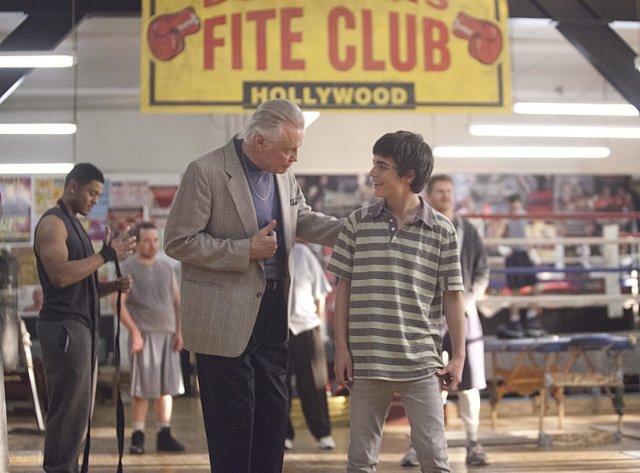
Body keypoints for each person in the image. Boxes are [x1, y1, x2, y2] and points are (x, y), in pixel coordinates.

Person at [163, 98, 344, 473]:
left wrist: (354, 230)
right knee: (232, 424)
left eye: (297, 149)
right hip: (222, 317)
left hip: (273, 312)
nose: (295, 157)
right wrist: (245, 250)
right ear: (259, 140)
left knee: (272, 418)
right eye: (289, 149)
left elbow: (302, 218)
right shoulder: (206, 171)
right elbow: (179, 242)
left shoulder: (283, 174)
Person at [328, 131, 466, 473]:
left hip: (421, 364)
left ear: (408, 176)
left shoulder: (443, 231)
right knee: (360, 460)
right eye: (374, 163)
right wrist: (342, 348)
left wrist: (459, 356)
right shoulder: (358, 223)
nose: (372, 173)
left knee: (434, 457)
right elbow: (343, 288)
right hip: (366, 362)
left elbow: (453, 296)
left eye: (381, 166)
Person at [33, 162, 135, 473]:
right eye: (92, 193)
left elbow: (81, 284)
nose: (95, 200)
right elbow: (61, 276)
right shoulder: (53, 224)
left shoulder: (75, 225)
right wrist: (105, 255)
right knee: (68, 411)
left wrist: (112, 286)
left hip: (80, 326)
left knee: (77, 414)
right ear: (73, 186)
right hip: (64, 327)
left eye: (99, 195)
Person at [400, 174, 490, 468]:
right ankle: (419, 446)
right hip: (426, 317)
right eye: (440, 191)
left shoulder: (468, 230)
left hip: (465, 314)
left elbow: (482, 270)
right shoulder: (416, 227)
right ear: (428, 194)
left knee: (470, 383)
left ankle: (473, 443)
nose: (446, 196)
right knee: (425, 383)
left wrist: (468, 299)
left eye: (449, 191)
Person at [112, 222, 185, 455]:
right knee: (142, 389)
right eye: (146, 240)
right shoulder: (127, 268)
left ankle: (164, 434)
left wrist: (179, 332)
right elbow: (117, 304)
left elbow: (177, 303)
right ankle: (138, 436)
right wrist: (134, 332)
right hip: (143, 336)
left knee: (166, 388)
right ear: (136, 243)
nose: (152, 245)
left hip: (168, 335)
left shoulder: (166, 268)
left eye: (155, 240)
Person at [285, 240, 335, 451]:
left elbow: (320, 294)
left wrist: (320, 329)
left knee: (315, 383)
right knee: (279, 385)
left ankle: (323, 433)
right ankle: (283, 434)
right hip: (278, 328)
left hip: (307, 326)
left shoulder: (303, 253)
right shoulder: (268, 252)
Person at [496, 194, 546, 339]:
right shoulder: (506, 218)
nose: (515, 206)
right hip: (514, 255)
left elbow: (529, 235)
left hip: (525, 254)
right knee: (515, 290)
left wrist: (532, 251)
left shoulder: (524, 217)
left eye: (516, 203)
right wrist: (504, 250)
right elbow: (498, 237)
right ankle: (515, 320)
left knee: (536, 286)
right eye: (513, 203)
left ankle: (531, 317)